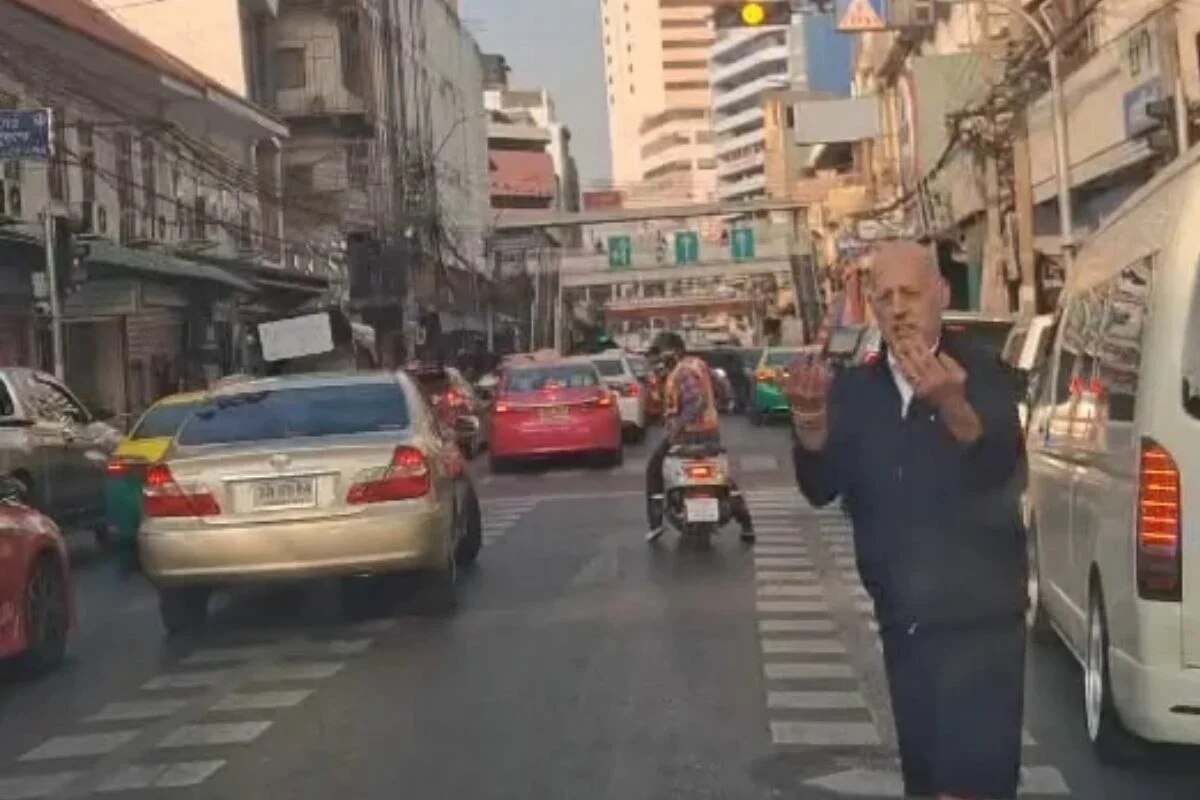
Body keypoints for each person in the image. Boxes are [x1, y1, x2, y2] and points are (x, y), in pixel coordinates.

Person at [786, 240, 1027, 800]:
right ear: (871, 305)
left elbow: (1001, 468)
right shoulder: (857, 389)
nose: (898, 308)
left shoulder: (982, 370)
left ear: (941, 295)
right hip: (905, 626)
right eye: (885, 295)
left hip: (981, 625)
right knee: (925, 779)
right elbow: (821, 488)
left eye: (911, 294)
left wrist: (953, 407)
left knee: (975, 785)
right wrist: (811, 427)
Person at [645, 332, 755, 543]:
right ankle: (746, 522)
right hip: (711, 434)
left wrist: (678, 425)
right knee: (721, 478)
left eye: (661, 355)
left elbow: (696, 401)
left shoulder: (682, 371)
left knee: (654, 468)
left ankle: (656, 521)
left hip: (687, 437)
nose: (659, 362)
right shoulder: (699, 364)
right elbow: (723, 387)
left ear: (673, 352)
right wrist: (725, 404)